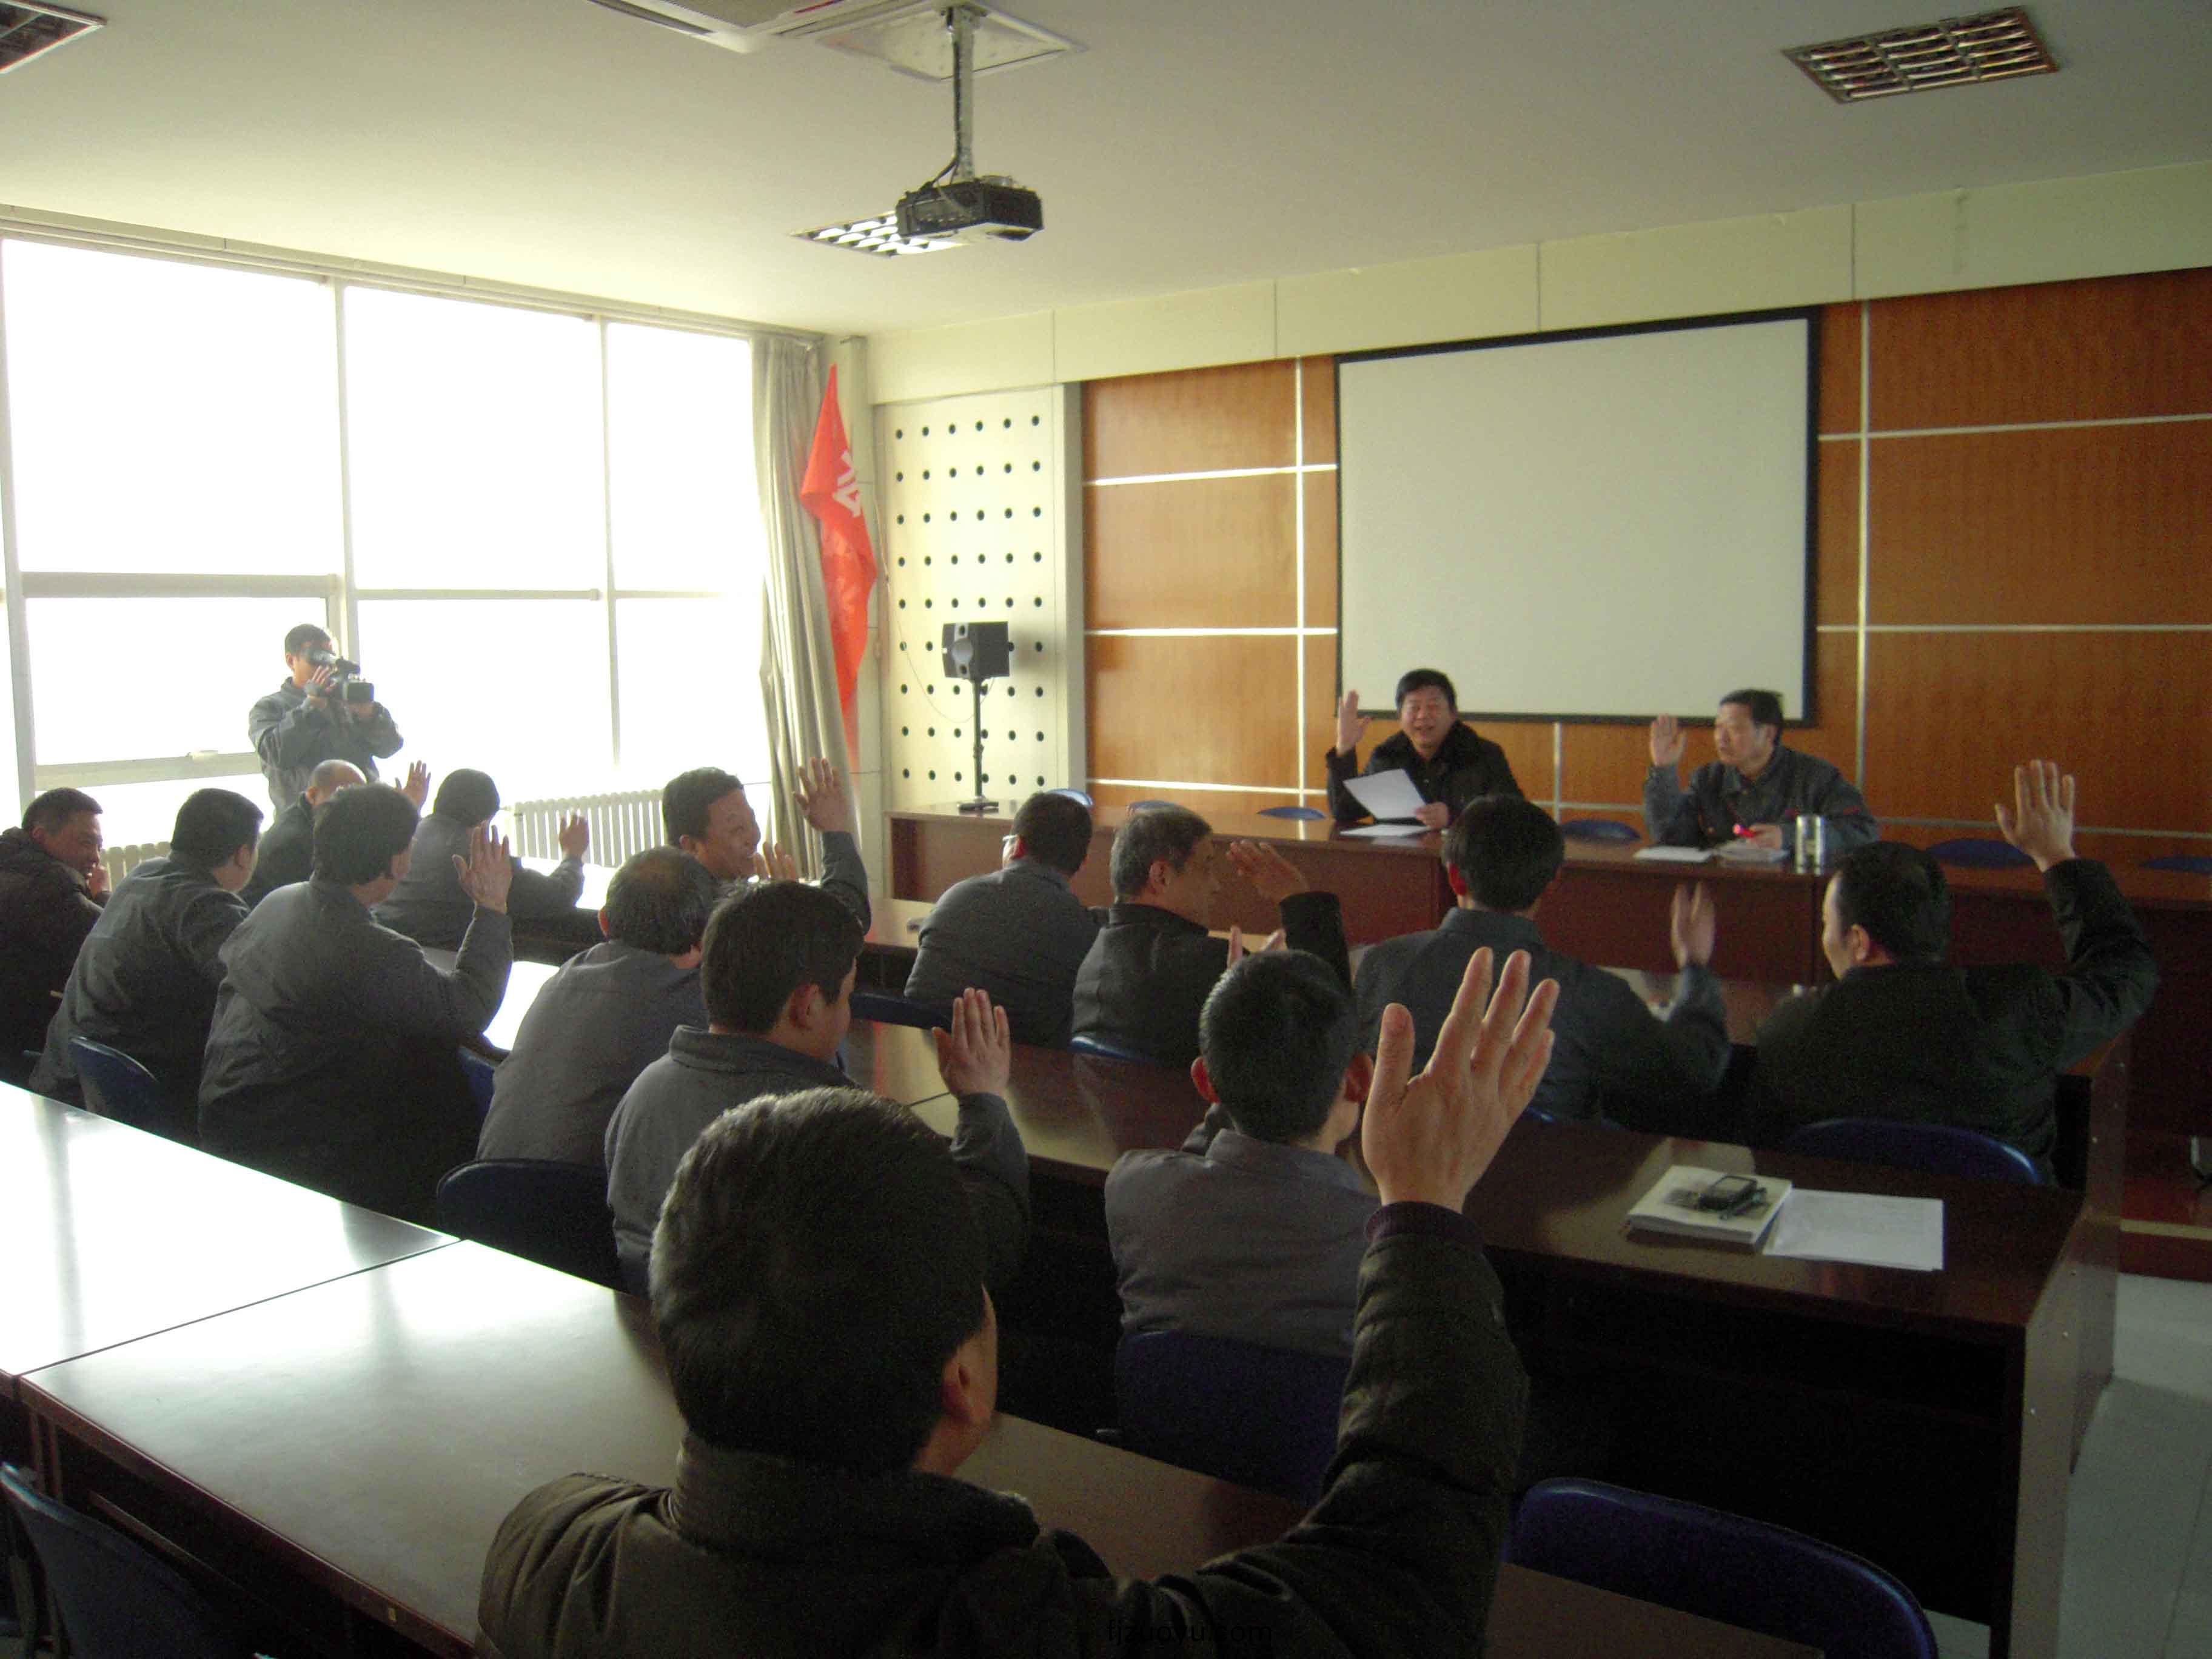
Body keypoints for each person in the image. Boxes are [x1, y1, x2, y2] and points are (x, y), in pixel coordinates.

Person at [477, 946, 1560, 1659]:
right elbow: (1402, 1591)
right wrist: (1423, 1205)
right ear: (963, 1385)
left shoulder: (546, 1557)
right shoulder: (1036, 1632)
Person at [603, 880, 1026, 1295]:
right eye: (846, 996)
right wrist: (982, 1102)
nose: (846, 1016)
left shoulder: (644, 1092)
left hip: (661, 1331)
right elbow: (975, 1254)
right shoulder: (844, 1130)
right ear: (806, 1007)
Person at [1748, 761, 2159, 1171]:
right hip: (2002, 1212)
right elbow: (2127, 974)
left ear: (1859, 942)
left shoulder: (1790, 1030)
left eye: (1826, 924)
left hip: (1842, 1210)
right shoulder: (2018, 1007)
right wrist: (2057, 857)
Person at [198, 784, 513, 1225]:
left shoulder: (278, 902)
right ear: (395, 860)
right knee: (448, 1087)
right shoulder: (363, 946)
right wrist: (492, 907)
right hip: (300, 1148)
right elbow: (467, 1009)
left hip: (229, 1118)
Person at [1355, 795, 1731, 1127]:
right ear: (1552, 883)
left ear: (1454, 877)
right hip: (1548, 1176)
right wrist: (1696, 967)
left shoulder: (1382, 964)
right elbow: (1694, 1071)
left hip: (1398, 1174)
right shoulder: (1588, 992)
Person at [1106, 949, 1375, 1358]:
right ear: (1359, 1079)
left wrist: (1232, 1069)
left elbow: (1187, 1169)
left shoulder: (1132, 1189)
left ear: (1204, 1083)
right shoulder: (1380, 1242)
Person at [28, 789, 263, 1135]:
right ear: (243, 854)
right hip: (137, 1094)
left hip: (69, 1077)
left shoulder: (143, 875)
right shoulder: (207, 906)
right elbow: (261, 988)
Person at [477, 848, 721, 1170]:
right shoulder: (697, 1000)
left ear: (603, 921)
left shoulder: (564, 977)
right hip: (587, 1196)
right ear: (706, 938)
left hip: (483, 1187)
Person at [1071, 806, 1351, 1068]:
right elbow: (1328, 1027)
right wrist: (1298, 901)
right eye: (1206, 866)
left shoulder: (1092, 956)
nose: (1216, 886)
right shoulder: (1215, 965)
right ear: (1161, 876)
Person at [904, 789, 1104, 1046]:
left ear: (1017, 846)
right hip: (1026, 1065)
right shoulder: (1082, 929)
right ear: (1083, 862)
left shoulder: (956, 895)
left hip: (922, 1051)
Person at [1644, 688, 1877, 854]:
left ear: (1768, 734)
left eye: (1734, 729)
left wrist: (1789, 837)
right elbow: (1670, 837)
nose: (1721, 739)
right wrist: (1664, 770)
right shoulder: (1708, 778)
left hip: (1794, 892)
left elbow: (1863, 831)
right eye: (1718, 728)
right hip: (1724, 885)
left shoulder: (1815, 777)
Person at [374, 768, 586, 948]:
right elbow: (558, 897)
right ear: (486, 821)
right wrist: (572, 856)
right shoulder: (481, 858)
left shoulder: (403, 836)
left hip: (381, 955)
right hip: (440, 969)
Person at [661, 759, 870, 927]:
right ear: (692, 846)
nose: (754, 837)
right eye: (738, 829)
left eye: (752, 821)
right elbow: (845, 926)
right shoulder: (708, 917)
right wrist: (789, 908)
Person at [0, 786, 107, 1080]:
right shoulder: (49, 890)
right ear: (40, 837)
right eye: (85, 843)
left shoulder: (12, 866)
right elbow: (113, 941)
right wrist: (101, 896)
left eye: (99, 846)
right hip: (24, 1049)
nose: (95, 857)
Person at [1326, 668, 1521, 828]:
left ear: (1453, 714)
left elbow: (1513, 816)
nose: (1423, 715)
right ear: (1400, 716)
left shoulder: (1483, 755)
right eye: (1414, 708)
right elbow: (1345, 811)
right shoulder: (1387, 755)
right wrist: (1344, 749)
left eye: (1433, 707)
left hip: (1461, 860)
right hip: (1399, 858)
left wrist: (1454, 817)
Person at [247, 622, 403, 812]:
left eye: (330, 658)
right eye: (317, 658)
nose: (326, 667)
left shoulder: (346, 700)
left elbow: (390, 747)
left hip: (362, 814)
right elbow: (277, 754)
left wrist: (369, 715)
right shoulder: (270, 708)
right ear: (291, 661)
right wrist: (312, 707)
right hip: (307, 820)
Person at [244, 758, 432, 907]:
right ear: (313, 794)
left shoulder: (316, 817)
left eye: (359, 794)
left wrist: (403, 812)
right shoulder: (298, 839)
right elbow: (344, 896)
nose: (354, 803)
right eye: (343, 792)